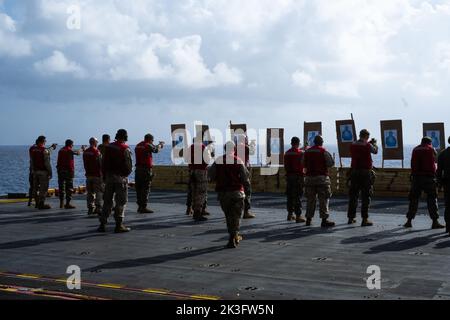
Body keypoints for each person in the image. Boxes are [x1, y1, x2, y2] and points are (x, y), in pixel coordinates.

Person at [208, 141, 251, 248]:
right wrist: (247, 190)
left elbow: (211, 176)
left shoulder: (218, 161)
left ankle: (233, 236)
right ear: (234, 149)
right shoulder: (238, 161)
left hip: (223, 193)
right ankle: (234, 236)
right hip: (237, 193)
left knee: (228, 216)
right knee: (236, 216)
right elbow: (245, 179)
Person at [404, 137, 445, 229]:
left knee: (413, 200)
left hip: (416, 178)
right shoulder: (431, 149)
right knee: (432, 200)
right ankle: (435, 222)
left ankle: (409, 221)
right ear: (430, 142)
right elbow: (435, 160)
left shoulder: (415, 149)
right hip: (429, 178)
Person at [98, 129, 133, 233]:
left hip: (108, 178)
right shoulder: (125, 149)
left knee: (107, 202)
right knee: (121, 202)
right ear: (125, 137)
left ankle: (102, 224)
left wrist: (104, 176)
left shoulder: (108, 147)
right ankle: (119, 225)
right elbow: (128, 166)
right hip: (120, 178)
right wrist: (125, 175)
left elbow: (103, 163)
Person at [347, 129, 378, 227]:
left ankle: (351, 218)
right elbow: (375, 151)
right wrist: (374, 144)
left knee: (353, 196)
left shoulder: (353, 144)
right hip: (365, 173)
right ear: (367, 136)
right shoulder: (368, 145)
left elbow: (359, 148)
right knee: (365, 196)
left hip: (354, 172)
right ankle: (364, 219)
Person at [303, 135, 335, 228]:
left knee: (310, 200)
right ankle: (324, 220)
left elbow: (302, 163)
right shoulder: (323, 151)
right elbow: (330, 163)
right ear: (321, 142)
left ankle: (308, 219)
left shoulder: (307, 152)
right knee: (323, 200)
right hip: (321, 179)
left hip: (309, 179)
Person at [135, 134, 165, 214]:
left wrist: (155, 145)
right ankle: (143, 207)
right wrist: (161, 145)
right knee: (145, 188)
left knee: (139, 188)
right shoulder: (147, 145)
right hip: (145, 170)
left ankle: (139, 206)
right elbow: (155, 150)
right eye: (152, 140)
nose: (153, 142)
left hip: (138, 169)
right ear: (150, 140)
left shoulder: (138, 145)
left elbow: (150, 147)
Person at [186, 138, 212, 221]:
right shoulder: (203, 147)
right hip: (201, 171)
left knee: (194, 191)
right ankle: (198, 213)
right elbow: (207, 160)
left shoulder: (190, 147)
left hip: (192, 171)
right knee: (201, 192)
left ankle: (195, 210)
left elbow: (186, 159)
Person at [57, 139, 85, 209]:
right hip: (68, 171)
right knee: (69, 188)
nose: (72, 146)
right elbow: (78, 153)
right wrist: (82, 149)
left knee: (61, 187)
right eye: (72, 145)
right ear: (70, 144)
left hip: (60, 171)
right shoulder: (69, 150)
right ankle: (67, 203)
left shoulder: (61, 150)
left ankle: (61, 203)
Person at [30, 136, 56, 210]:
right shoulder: (44, 150)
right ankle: (41, 204)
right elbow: (47, 163)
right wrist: (50, 172)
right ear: (43, 141)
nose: (45, 142)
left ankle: (37, 203)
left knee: (35, 188)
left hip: (35, 171)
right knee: (43, 189)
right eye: (45, 141)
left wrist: (32, 170)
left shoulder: (34, 150)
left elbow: (32, 161)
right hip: (43, 172)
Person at [284, 137, 306, 223]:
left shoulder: (287, 153)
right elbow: (303, 161)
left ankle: (290, 214)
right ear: (298, 143)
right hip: (298, 177)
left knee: (290, 196)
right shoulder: (301, 153)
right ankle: (298, 216)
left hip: (289, 176)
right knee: (298, 196)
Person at [236, 136, 256, 219]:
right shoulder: (245, 147)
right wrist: (252, 144)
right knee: (247, 191)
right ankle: (246, 212)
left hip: (237, 171)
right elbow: (252, 152)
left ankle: (237, 210)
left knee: (239, 190)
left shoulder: (236, 147)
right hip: (244, 170)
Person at [83, 137, 103, 216]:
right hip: (96, 175)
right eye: (97, 142)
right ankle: (98, 208)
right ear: (95, 142)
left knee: (90, 192)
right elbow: (100, 164)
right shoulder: (97, 152)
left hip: (88, 175)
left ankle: (90, 208)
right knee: (98, 192)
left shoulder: (85, 152)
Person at [437, 136, 450, 236]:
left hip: (447, 182)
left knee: (448, 205)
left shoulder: (443, 153)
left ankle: (448, 226)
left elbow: (439, 170)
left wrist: (439, 183)